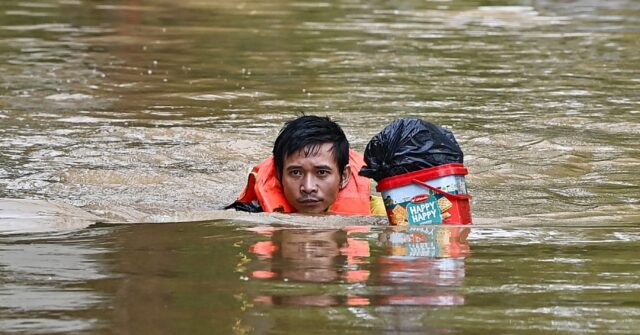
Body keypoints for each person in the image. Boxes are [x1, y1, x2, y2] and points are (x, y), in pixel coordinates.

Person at [226, 115, 384, 215]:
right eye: (295, 173)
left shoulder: (380, 213)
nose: (308, 187)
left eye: (322, 172)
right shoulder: (249, 213)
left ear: (343, 177)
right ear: (279, 176)